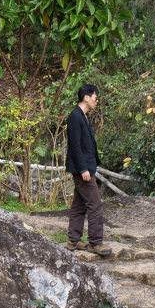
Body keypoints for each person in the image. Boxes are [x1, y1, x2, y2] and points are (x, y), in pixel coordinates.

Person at [65, 84, 111, 257]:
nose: (96, 101)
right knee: (95, 204)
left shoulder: (83, 116)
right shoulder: (75, 117)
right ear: (86, 97)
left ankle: (74, 240)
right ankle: (95, 242)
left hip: (86, 167)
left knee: (79, 205)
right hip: (81, 169)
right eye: (95, 98)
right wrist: (83, 168)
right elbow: (75, 146)